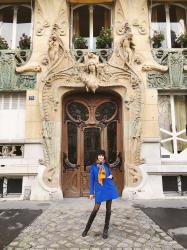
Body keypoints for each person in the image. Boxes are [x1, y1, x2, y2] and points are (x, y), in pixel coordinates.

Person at [82, 150, 119, 239]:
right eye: (99, 156)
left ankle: (105, 230)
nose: (101, 157)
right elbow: (92, 181)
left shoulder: (106, 165)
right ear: (97, 157)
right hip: (99, 190)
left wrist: (112, 176)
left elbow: (110, 175)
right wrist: (91, 193)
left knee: (108, 209)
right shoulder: (93, 167)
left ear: (104, 157)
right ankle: (86, 229)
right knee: (95, 209)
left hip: (108, 188)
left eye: (102, 156)